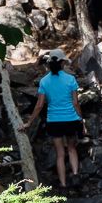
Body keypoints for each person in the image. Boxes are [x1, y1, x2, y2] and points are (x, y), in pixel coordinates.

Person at [17, 49, 83, 189]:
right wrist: (81, 120)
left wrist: (29, 122)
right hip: (71, 119)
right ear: (63, 63)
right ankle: (75, 176)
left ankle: (63, 185)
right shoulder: (71, 79)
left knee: (60, 154)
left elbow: (39, 105)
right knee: (72, 148)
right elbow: (76, 103)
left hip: (54, 121)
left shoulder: (44, 81)